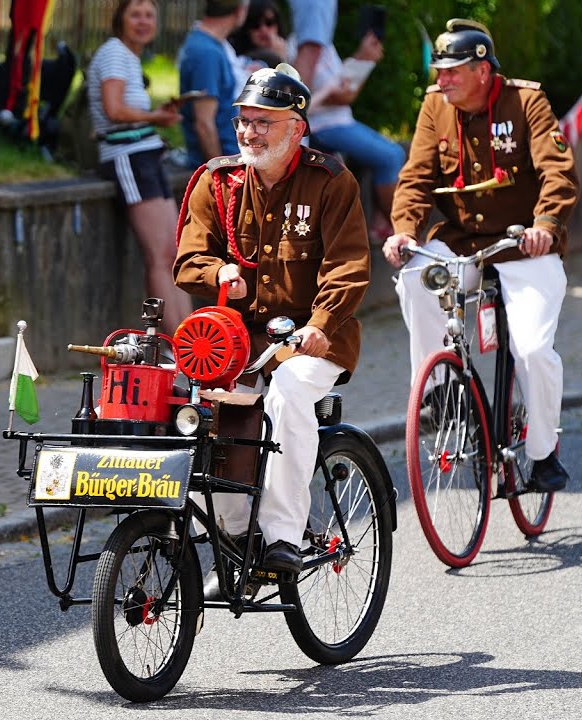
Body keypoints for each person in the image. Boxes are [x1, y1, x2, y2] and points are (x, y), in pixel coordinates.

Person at [174, 64, 371, 574]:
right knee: (198, 414)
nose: (249, 132)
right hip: (236, 342)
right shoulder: (217, 182)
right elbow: (188, 260)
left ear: (297, 128)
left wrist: (321, 324)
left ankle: (283, 535)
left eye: (264, 122)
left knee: (288, 389)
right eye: (243, 120)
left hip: (315, 337)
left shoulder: (330, 182)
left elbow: (348, 266)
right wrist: (218, 272)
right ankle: (235, 542)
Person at [382, 19, 578, 492]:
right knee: (415, 279)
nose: (442, 79)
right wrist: (404, 231)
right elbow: (416, 177)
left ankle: (543, 454)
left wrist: (546, 226)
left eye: (452, 70)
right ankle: (440, 393)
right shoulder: (435, 106)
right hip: (463, 240)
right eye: (440, 70)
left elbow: (557, 171)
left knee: (533, 350)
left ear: (483, 70)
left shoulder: (526, 102)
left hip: (523, 244)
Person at [88, 0, 192, 332]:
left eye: (149, 15)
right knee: (159, 256)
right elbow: (114, 110)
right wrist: (155, 117)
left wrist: (156, 116)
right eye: (135, 14)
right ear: (120, 19)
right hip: (128, 156)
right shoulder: (114, 53)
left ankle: (191, 337)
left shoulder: (130, 57)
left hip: (148, 154)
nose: (143, 21)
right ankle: (174, 343)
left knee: (175, 253)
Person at [288, 0, 404, 242]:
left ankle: (381, 223)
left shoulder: (324, 46)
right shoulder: (305, 49)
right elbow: (315, 98)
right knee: (391, 156)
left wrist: (365, 60)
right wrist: (363, 59)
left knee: (392, 153)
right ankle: (401, 231)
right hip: (323, 126)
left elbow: (346, 94)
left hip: (339, 121)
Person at [177, 0, 250, 167]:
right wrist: (221, 173)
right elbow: (204, 125)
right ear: (240, 11)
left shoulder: (210, 44)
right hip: (224, 163)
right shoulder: (207, 53)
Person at [229, 0, 290, 71]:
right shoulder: (235, 57)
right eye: (255, 24)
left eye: (269, 22)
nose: (263, 29)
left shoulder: (290, 50)